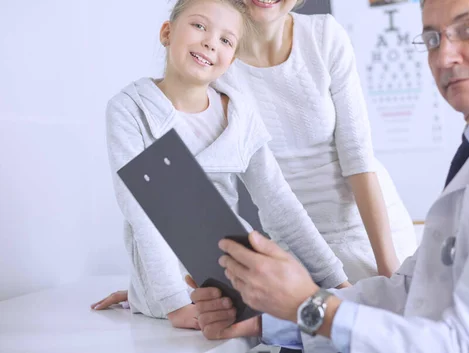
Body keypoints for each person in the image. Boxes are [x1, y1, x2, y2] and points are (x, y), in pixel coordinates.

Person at [191, 0, 469, 351]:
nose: (444, 57)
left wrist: (309, 305)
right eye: (433, 39)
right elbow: (411, 291)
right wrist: (269, 320)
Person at [91, 0, 350, 330]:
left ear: (232, 59)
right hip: (168, 293)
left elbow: (280, 205)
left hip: (233, 280)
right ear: (167, 33)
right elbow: (141, 213)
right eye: (199, 26)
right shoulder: (130, 110)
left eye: (226, 40)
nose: (211, 42)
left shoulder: (239, 112)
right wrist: (173, 303)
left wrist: (336, 281)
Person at [212, 0, 417, 283]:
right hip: (299, 247)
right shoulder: (217, 67)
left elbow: (358, 158)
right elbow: (217, 187)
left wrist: (389, 268)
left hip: (377, 235)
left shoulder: (325, 35)